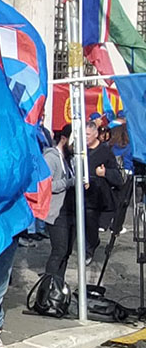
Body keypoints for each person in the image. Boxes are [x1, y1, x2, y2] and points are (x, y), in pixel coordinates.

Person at [84, 119, 122, 262]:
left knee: (91, 221)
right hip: (80, 193)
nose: (85, 138)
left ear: (95, 134)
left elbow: (118, 178)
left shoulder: (105, 152)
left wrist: (105, 173)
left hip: (97, 197)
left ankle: (89, 250)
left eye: (87, 134)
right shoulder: (80, 150)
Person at [43, 125, 76, 278]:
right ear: (64, 139)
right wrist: (69, 182)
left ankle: (58, 285)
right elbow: (46, 185)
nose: (75, 147)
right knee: (59, 251)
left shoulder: (70, 158)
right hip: (57, 213)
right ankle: (47, 290)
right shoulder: (51, 158)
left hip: (71, 211)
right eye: (73, 142)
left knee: (67, 252)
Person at [108, 120, 134, 237]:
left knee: (113, 199)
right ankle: (117, 226)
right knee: (123, 202)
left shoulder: (111, 146)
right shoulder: (129, 146)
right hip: (126, 175)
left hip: (113, 174)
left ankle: (109, 223)